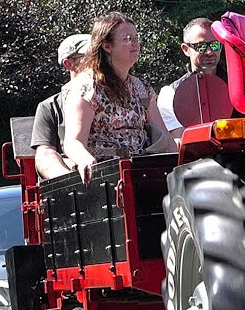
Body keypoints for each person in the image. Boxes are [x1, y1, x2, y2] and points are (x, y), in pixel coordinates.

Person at [62, 12, 176, 183]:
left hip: (143, 171)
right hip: (107, 178)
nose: (135, 43)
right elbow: (73, 142)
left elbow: (166, 140)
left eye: (136, 38)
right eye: (128, 38)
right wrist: (85, 160)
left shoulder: (141, 88)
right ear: (107, 46)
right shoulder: (85, 87)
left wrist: (179, 166)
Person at [30, 33, 91, 179]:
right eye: (89, 57)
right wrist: (70, 182)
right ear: (68, 64)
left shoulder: (119, 99)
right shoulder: (50, 107)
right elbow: (45, 155)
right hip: (76, 180)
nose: (98, 62)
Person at [156, 17, 225, 138]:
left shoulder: (238, 85)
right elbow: (182, 139)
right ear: (185, 49)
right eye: (201, 46)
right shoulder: (170, 94)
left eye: (215, 45)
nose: (209, 52)